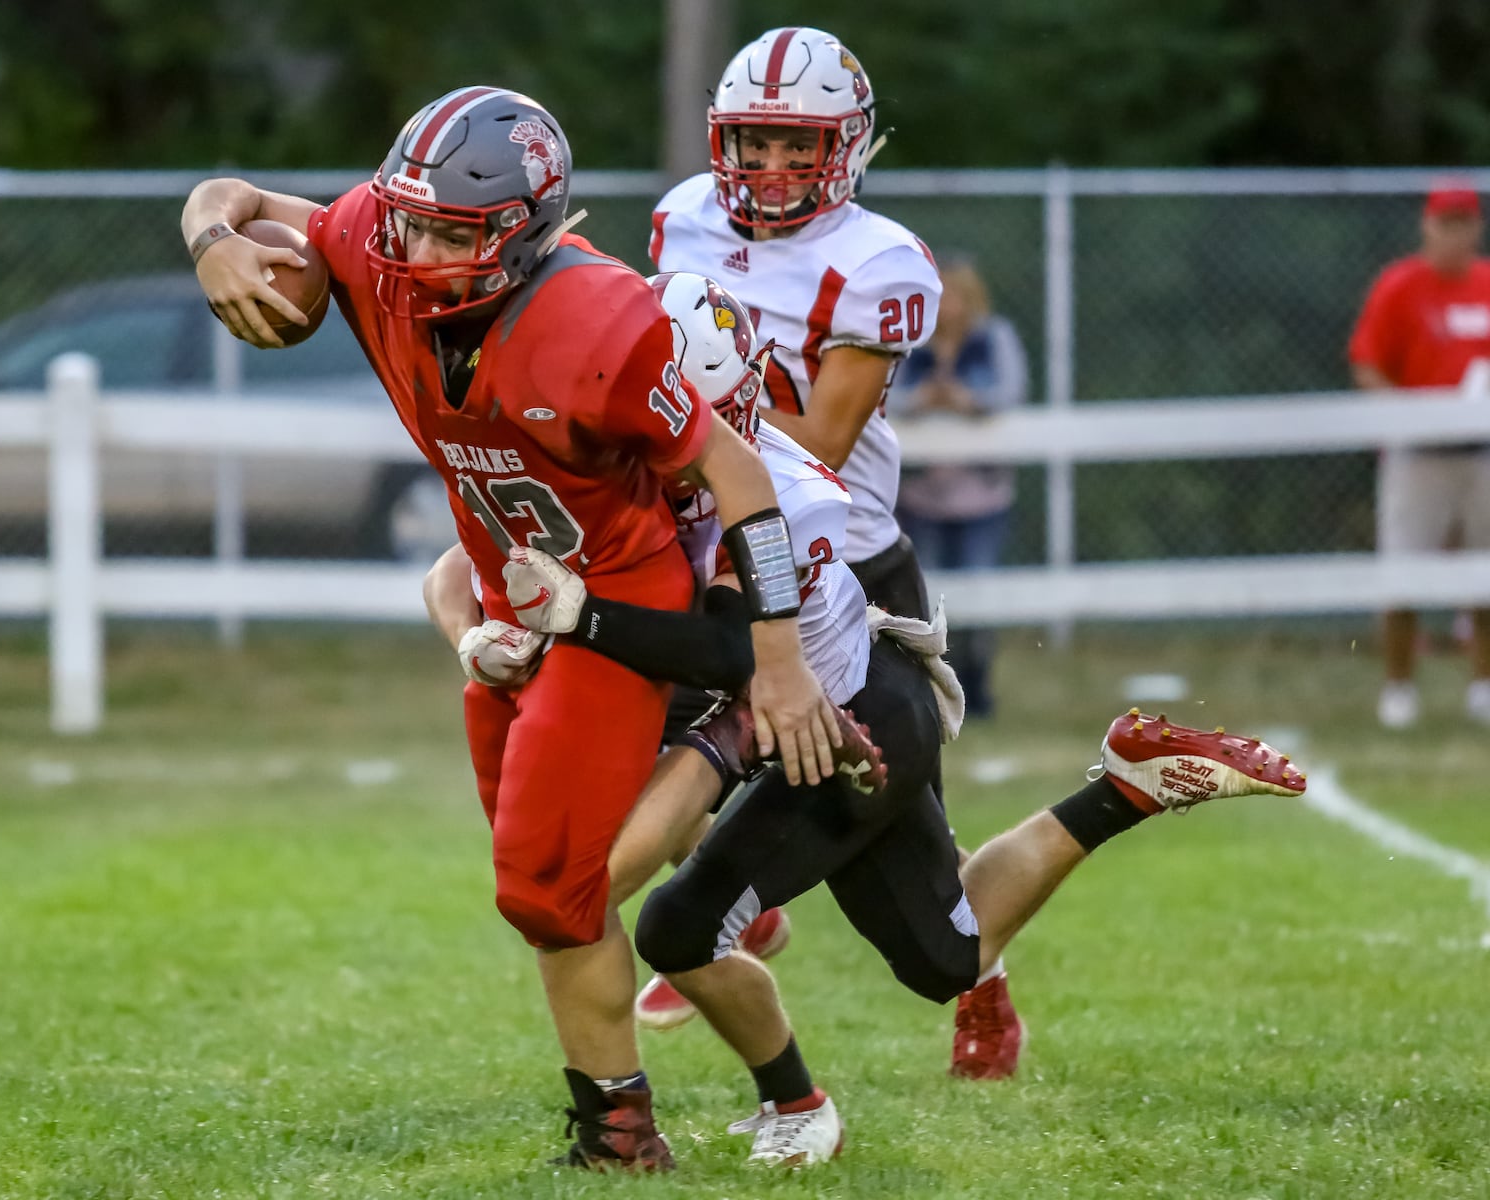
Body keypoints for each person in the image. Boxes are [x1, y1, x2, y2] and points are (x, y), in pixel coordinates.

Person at [500, 272, 1311, 1168]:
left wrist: (581, 620)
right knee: (946, 960)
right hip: (818, 710)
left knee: (677, 930)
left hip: (849, 726)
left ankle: (797, 1106)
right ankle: (1126, 785)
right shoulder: (648, 466)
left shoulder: (775, 491)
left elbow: (733, 657)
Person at [181, 86, 846, 1173]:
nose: (417, 247)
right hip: (510, 601)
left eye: (453, 230)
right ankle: (631, 1125)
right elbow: (237, 194)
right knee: (555, 900)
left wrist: (775, 659)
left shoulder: (600, 323)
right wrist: (212, 239)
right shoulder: (379, 242)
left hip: (613, 610)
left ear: (525, 235)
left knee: (549, 887)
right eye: (411, 219)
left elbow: (738, 474)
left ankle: (622, 1126)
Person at [647, 23, 1026, 1081]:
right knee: (646, 735)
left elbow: (814, 447)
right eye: (754, 142)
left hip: (840, 556)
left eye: (796, 146)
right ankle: (734, 907)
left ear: (846, 148)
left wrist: (683, 437)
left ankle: (978, 973)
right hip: (713, 546)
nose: (769, 168)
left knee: (900, 816)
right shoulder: (679, 217)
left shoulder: (878, 260)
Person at [1349, 183, 1490, 729]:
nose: (1455, 233)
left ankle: (1482, 686)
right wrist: (1404, 414)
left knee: (1483, 578)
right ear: (1427, 226)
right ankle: (1399, 689)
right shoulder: (1400, 287)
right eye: (1445, 222)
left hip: (1480, 451)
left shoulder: (1485, 284)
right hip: (1419, 452)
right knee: (1403, 575)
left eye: (1465, 222)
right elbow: (1367, 362)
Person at [888, 257, 1029, 718]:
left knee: (979, 592)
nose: (947, 305)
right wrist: (923, 400)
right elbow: (885, 396)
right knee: (923, 596)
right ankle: (932, 685)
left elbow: (1010, 391)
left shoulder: (993, 338)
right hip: (921, 493)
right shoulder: (910, 342)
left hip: (980, 492)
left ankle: (976, 687)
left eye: (956, 295)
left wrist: (969, 401)